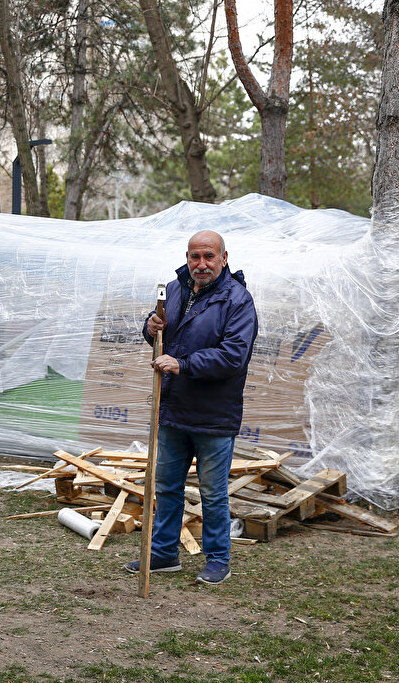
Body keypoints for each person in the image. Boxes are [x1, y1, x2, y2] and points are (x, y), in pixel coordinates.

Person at [124, 230, 258, 585]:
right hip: (173, 408)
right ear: (187, 257)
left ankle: (218, 560)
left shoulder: (238, 301)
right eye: (195, 256)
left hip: (214, 415)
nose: (201, 264)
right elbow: (161, 336)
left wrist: (182, 365)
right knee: (167, 487)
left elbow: (233, 356)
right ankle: (164, 553)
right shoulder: (175, 289)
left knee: (212, 493)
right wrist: (151, 328)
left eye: (209, 256)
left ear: (223, 259)